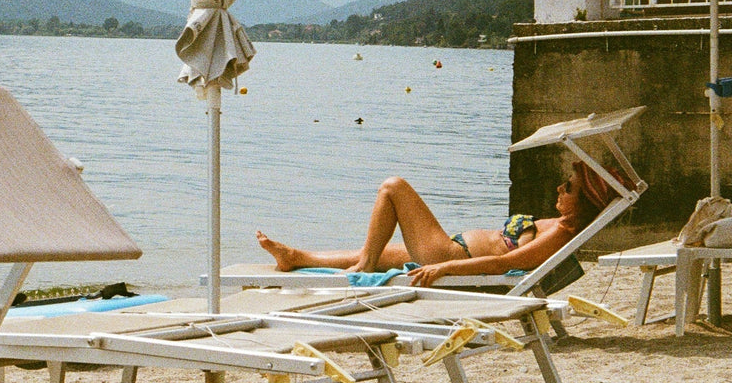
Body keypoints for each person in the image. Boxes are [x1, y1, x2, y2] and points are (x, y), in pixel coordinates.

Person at [256, 160, 620, 287]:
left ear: (584, 201)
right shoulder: (560, 224)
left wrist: (445, 265)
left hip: (447, 255)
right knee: (378, 252)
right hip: (449, 250)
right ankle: (295, 256)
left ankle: (363, 267)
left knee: (393, 187)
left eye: (569, 187)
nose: (560, 187)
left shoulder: (561, 233)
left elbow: (504, 264)